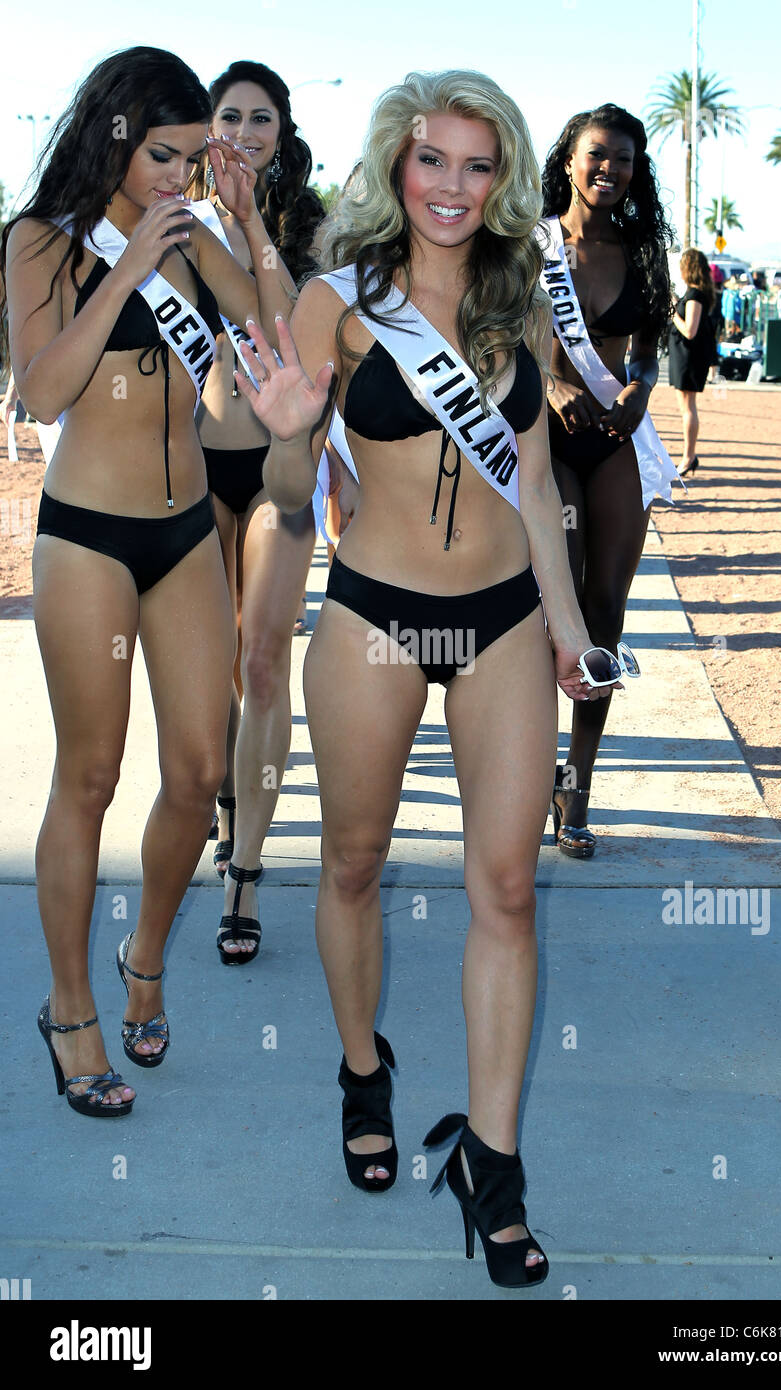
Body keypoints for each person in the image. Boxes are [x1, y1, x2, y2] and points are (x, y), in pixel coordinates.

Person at [235, 69, 620, 1288]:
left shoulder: (521, 297)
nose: (452, 186)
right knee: (352, 862)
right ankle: (363, 1070)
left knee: (505, 891)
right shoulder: (335, 303)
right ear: (395, 168)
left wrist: (568, 629)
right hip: (375, 615)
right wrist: (293, 431)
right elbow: (293, 501)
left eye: (475, 163)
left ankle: (491, 1168)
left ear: (502, 176)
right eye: (430, 160)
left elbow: (543, 486)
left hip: (502, 618)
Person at [1, 46, 291, 1116]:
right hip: (86, 537)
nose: (178, 175)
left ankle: (147, 956)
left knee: (199, 766)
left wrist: (247, 223)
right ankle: (70, 1007)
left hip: (182, 537)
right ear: (115, 138)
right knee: (89, 774)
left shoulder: (199, 236)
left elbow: (284, 329)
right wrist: (128, 267)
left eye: (192, 155)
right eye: (162, 154)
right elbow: (40, 390)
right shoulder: (40, 240)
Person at [195, 60, 323, 962]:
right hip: (192, 471)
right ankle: (228, 796)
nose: (245, 130)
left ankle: (243, 872)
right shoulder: (173, 217)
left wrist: (252, 227)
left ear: (282, 132)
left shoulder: (315, 230)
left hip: (282, 470)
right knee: (214, 667)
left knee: (265, 662)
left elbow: (308, 343)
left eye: (261, 118)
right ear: (209, 127)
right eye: (230, 115)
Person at [541, 104, 675, 857]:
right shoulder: (529, 248)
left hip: (614, 439)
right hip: (547, 441)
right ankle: (528, 770)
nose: (608, 169)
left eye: (622, 159)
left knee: (605, 617)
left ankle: (577, 791)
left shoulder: (641, 249)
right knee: (549, 609)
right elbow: (497, 338)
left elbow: (647, 350)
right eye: (596, 154)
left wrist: (639, 391)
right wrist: (549, 386)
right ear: (568, 159)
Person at [668, 248, 716, 478]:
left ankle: (689, 455)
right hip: (686, 356)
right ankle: (689, 455)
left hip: (689, 357)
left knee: (688, 407)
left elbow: (689, 330)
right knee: (686, 406)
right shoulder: (695, 293)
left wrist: (672, 312)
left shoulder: (695, 295)